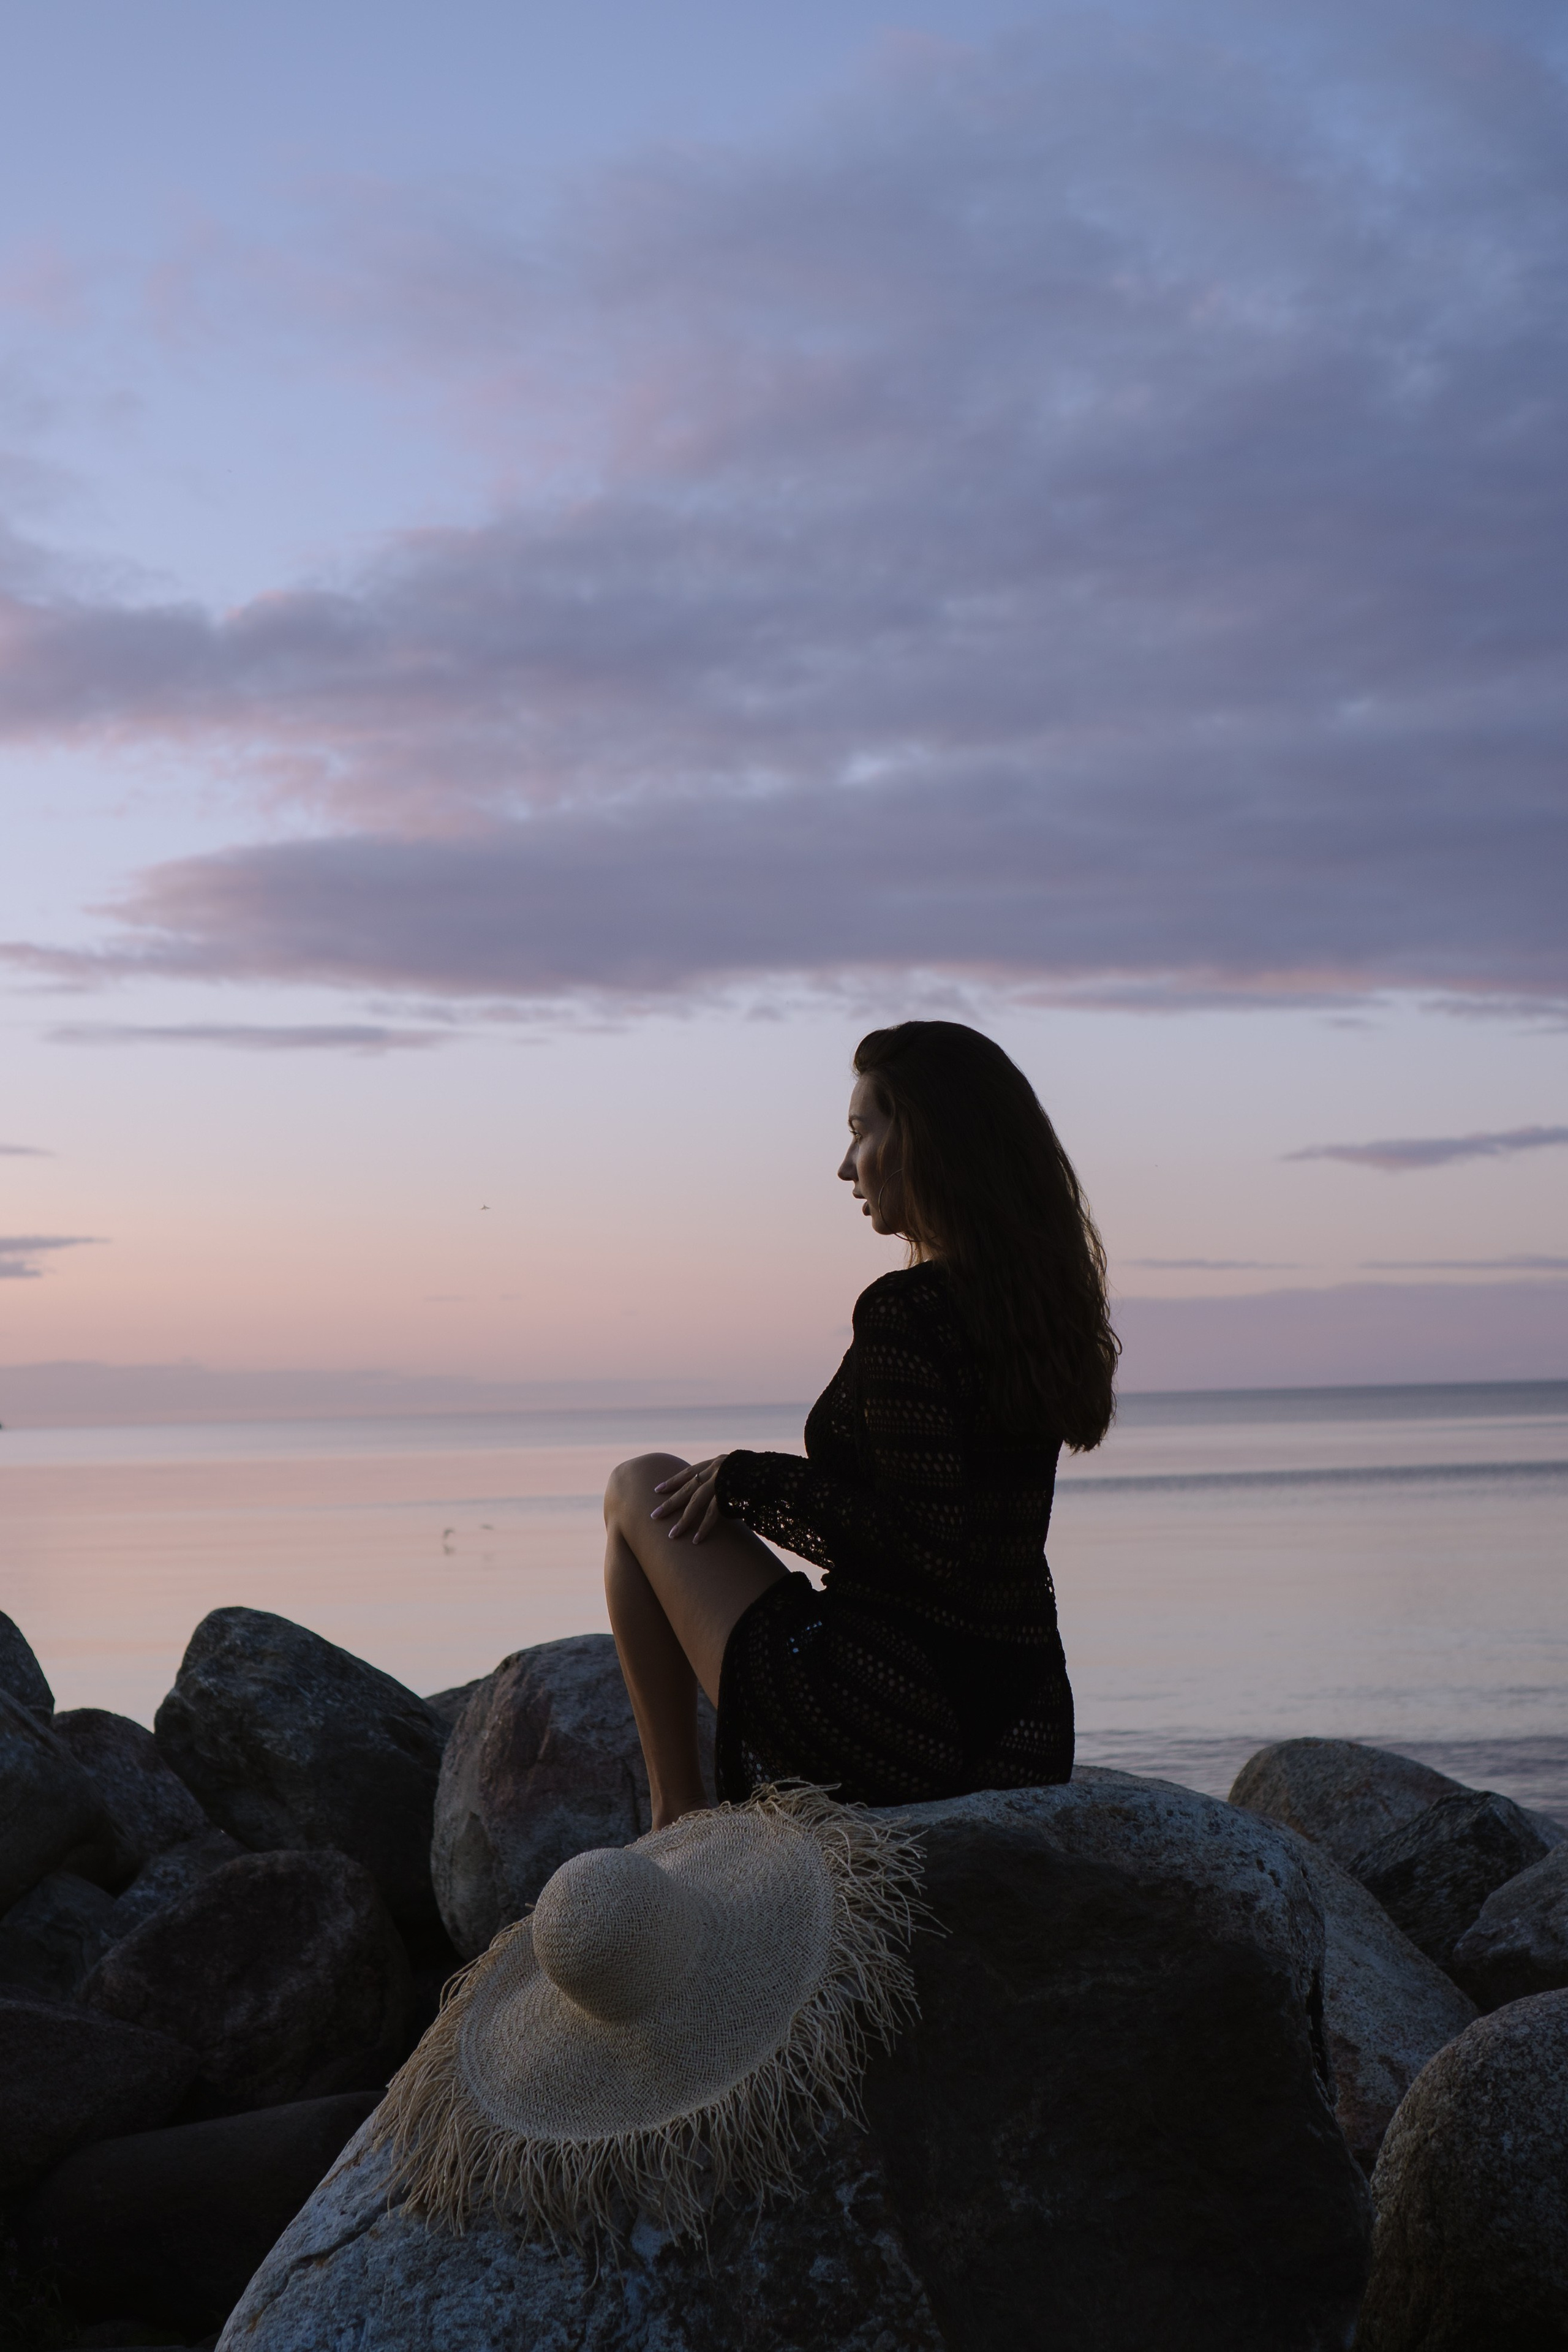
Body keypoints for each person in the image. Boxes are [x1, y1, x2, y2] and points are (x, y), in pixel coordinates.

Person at [602, 1019, 1120, 1826]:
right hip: (1027, 1729)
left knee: (639, 1486)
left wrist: (751, 1479)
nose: (846, 1167)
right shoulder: (1036, 1313)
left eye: (859, 1132)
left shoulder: (910, 1313)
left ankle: (678, 1818)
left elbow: (922, 1543)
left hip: (894, 1717)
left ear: (922, 1137)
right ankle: (681, 1815)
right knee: (659, 1494)